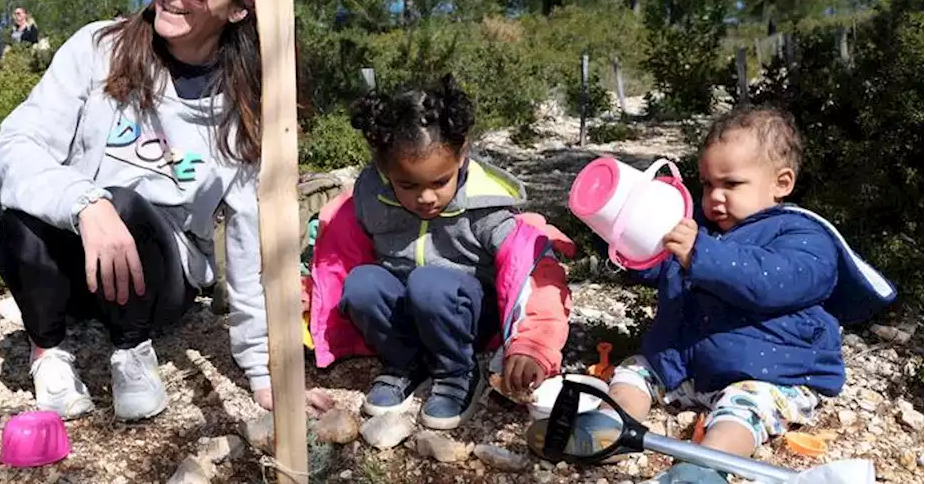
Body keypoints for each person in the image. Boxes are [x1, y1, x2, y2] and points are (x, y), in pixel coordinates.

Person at [0, 0, 334, 422]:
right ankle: (50, 352)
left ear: (239, 9)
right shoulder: (100, 48)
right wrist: (85, 203)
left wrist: (265, 372)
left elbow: (250, 242)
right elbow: (17, 143)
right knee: (24, 214)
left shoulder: (244, 110)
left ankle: (132, 351)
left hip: (158, 282)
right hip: (78, 265)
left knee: (126, 204)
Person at [528, 105, 896, 484]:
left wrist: (700, 253)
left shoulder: (804, 238)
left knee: (742, 410)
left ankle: (704, 465)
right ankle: (612, 426)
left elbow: (768, 281)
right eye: (707, 184)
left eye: (731, 184)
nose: (715, 197)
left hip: (769, 372)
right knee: (635, 371)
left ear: (781, 183)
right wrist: (637, 244)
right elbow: (661, 270)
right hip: (688, 364)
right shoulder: (699, 229)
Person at [312, 75, 572, 429]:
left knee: (429, 284)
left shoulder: (486, 208)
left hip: (463, 315)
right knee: (361, 284)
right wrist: (305, 295)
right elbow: (334, 259)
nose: (426, 198)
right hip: (406, 314)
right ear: (384, 168)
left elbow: (535, 273)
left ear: (462, 155)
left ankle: (457, 371)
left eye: (439, 182)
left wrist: (533, 344)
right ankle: (405, 363)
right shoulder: (370, 197)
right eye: (408, 185)